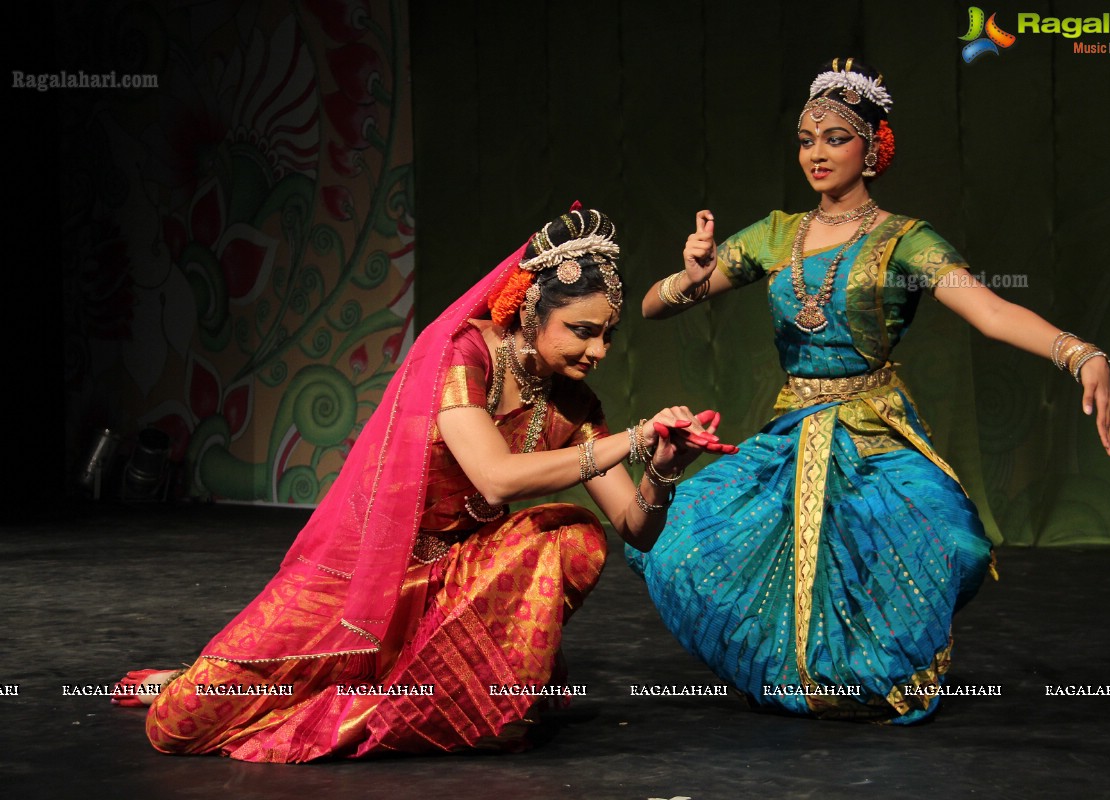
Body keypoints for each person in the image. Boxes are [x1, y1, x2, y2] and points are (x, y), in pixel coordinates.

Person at [114, 206, 735, 761]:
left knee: (574, 534)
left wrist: (661, 467)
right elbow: (495, 479)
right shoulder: (464, 354)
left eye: (607, 334)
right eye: (581, 330)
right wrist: (630, 438)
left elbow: (636, 529)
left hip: (454, 579)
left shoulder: (574, 404)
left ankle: (459, 699)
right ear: (526, 311)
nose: (599, 349)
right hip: (369, 575)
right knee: (178, 723)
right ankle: (192, 676)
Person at [628, 59, 1110, 723]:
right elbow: (653, 308)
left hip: (873, 426)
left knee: (958, 545)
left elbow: (992, 313)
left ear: (872, 147)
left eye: (835, 137)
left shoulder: (904, 241)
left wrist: (1080, 354)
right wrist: (689, 276)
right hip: (793, 428)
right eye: (806, 139)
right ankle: (795, 677)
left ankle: (863, 666)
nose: (817, 153)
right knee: (686, 536)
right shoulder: (775, 235)